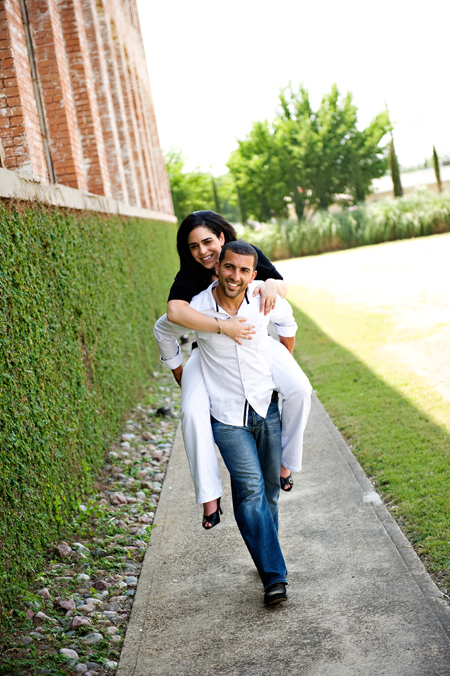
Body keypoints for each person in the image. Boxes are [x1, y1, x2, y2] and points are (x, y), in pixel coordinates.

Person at [154, 211, 312, 527]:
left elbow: (279, 287)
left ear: (222, 238)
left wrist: (270, 285)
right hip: (207, 349)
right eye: (193, 246)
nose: (202, 251)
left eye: (207, 242)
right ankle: (209, 498)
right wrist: (184, 369)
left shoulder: (242, 253)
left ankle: (286, 464)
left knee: (299, 388)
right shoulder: (190, 275)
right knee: (191, 410)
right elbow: (172, 314)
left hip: (256, 343)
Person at [190, 240, 294, 604]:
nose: (235, 276)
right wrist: (179, 374)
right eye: (229, 267)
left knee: (269, 493)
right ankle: (274, 576)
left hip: (267, 408)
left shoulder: (263, 299)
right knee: (250, 492)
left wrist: (282, 363)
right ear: (218, 266)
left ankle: (266, 555)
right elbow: (165, 328)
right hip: (227, 417)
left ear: (253, 274)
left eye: (244, 270)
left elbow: (288, 322)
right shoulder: (198, 308)